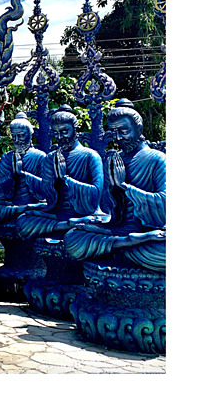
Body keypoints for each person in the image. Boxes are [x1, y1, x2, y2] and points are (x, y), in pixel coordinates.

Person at [63, 99, 166, 272]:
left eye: (123, 131)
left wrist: (125, 186)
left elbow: (165, 203)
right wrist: (115, 191)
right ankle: (128, 242)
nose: (118, 138)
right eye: (113, 133)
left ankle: (124, 244)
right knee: (72, 238)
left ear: (138, 129)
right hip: (123, 231)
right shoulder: (114, 160)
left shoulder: (157, 159)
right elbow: (112, 210)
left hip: (151, 234)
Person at [16, 105, 103, 240]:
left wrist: (65, 179)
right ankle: (68, 225)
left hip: (84, 213)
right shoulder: (51, 158)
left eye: (64, 132)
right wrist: (53, 181)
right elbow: (46, 196)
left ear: (75, 130)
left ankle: (72, 225)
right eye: (56, 133)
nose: (60, 137)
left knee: (90, 226)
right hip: (58, 214)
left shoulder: (91, 156)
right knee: (23, 221)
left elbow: (96, 194)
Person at [0, 113, 47, 226]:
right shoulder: (7, 157)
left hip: (35, 203)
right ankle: (22, 210)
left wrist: (23, 174)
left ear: (30, 135)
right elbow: (3, 186)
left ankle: (24, 210)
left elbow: (46, 187)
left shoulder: (40, 156)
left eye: (21, 135)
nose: (17, 140)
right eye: (14, 136)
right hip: (12, 204)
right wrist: (13, 175)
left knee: (44, 208)